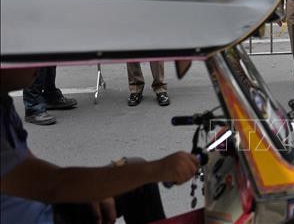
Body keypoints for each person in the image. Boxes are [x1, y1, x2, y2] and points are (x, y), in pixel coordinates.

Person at [0, 67, 198, 224]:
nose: (40, 64)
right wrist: (158, 169)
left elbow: (32, 168)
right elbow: (50, 185)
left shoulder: (4, 106)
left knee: (134, 175)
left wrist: (90, 190)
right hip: (42, 217)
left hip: (42, 208)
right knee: (140, 175)